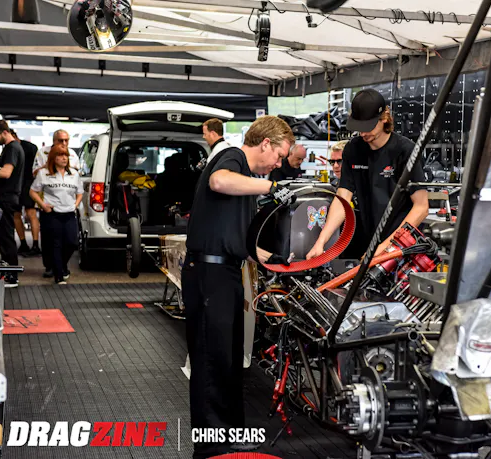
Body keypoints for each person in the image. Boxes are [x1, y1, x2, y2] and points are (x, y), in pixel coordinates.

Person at [183, 115, 295, 459]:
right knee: (211, 361)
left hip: (228, 272)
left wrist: (277, 260)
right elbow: (218, 181)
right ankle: (210, 445)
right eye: (279, 156)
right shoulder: (230, 157)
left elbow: (242, 244)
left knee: (229, 361)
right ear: (266, 143)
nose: (278, 164)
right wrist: (271, 188)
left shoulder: (246, 181)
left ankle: (230, 434)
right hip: (208, 274)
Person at [307, 89, 429, 259]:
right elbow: (343, 199)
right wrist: (321, 241)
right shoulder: (353, 149)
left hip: (400, 247)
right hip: (367, 243)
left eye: (368, 127)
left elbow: (421, 207)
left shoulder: (405, 151)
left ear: (384, 118)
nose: (363, 133)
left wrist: (386, 248)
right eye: (359, 128)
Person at [29, 145, 83, 285]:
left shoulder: (74, 174)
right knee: (56, 244)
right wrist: (43, 205)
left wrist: (75, 205)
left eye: (66, 155)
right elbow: (33, 191)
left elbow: (80, 192)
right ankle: (58, 275)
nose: (64, 158)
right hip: (52, 214)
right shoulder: (44, 173)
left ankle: (61, 265)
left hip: (69, 213)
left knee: (72, 243)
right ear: (53, 158)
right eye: (60, 155)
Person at [0, 120, 25, 287]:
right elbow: (1, 168)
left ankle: (12, 275)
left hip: (7, 197)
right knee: (4, 235)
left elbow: (5, 173)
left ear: (4, 132)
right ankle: (9, 272)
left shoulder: (12, 148)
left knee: (6, 236)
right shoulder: (12, 148)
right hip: (9, 196)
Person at [10, 130, 41, 257]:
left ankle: (30, 244)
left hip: (24, 184)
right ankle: (30, 244)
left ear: (13, 136)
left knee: (26, 213)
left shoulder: (15, 148)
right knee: (23, 214)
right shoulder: (30, 147)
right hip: (25, 184)